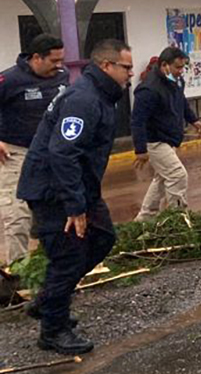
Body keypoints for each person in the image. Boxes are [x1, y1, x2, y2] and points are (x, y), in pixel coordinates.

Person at [17, 39, 133, 355]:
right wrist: (75, 205)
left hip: (77, 187)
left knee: (103, 237)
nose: (131, 74)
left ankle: (47, 301)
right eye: (126, 67)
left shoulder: (100, 95)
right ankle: (53, 330)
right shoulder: (84, 98)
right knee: (67, 257)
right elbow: (62, 152)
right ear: (106, 66)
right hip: (53, 190)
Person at [0, 35, 68, 264]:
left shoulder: (62, 77)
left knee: (53, 213)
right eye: (54, 61)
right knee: (17, 215)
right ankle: (17, 272)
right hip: (15, 153)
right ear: (36, 58)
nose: (59, 66)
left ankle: (52, 265)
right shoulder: (9, 80)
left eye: (61, 60)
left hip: (50, 154)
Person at [132, 47, 201, 222]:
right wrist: (140, 149)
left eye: (183, 68)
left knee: (163, 179)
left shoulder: (175, 82)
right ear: (164, 65)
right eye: (177, 68)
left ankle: (145, 219)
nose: (180, 72)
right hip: (155, 140)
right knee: (177, 175)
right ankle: (177, 219)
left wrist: (193, 119)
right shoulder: (148, 89)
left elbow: (181, 101)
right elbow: (137, 120)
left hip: (169, 138)